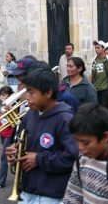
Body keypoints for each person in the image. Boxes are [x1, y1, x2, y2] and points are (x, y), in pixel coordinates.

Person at [6, 68, 78, 204]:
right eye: (26, 91)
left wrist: (39, 159)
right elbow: (22, 145)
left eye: (31, 92)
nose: (27, 96)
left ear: (48, 93)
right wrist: (15, 152)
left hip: (52, 195)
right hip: (27, 190)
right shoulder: (29, 116)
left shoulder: (65, 119)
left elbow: (73, 157)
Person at [0, 86, 14, 190]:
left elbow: (14, 123)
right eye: (1, 94)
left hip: (10, 134)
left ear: (10, 96)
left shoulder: (13, 106)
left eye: (4, 95)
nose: (1, 97)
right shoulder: (0, 105)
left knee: (3, 157)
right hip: (2, 133)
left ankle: (0, 181)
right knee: (9, 156)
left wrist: (9, 110)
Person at [90, 40, 108, 105]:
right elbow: (91, 75)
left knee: (105, 108)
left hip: (106, 89)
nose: (96, 50)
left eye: (98, 48)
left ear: (103, 49)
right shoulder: (93, 60)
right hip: (96, 89)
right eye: (95, 48)